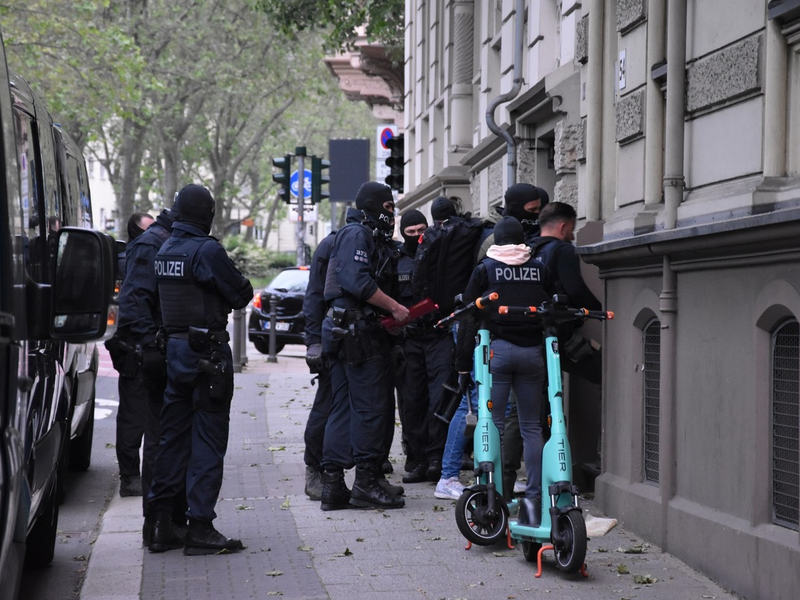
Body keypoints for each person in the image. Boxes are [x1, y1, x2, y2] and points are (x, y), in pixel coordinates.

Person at [147, 184, 253, 555]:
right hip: (207, 355)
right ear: (207, 214)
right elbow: (241, 293)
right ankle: (201, 527)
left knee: (172, 440)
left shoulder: (165, 249)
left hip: (174, 352)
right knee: (207, 442)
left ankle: (160, 524)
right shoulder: (206, 250)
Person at [456, 217, 555, 526]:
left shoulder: (485, 269)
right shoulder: (539, 267)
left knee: (493, 424)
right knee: (531, 427)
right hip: (533, 355)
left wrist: (462, 365)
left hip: (496, 352)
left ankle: (493, 496)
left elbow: (468, 317)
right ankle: (535, 496)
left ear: (496, 241)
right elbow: (554, 304)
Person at [320, 182, 409, 510]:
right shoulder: (358, 234)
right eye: (388, 208)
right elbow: (357, 282)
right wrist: (394, 308)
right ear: (373, 205)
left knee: (343, 407)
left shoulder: (366, 236)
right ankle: (366, 483)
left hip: (347, 331)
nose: (393, 214)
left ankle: (333, 486)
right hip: (359, 334)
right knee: (372, 408)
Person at [112, 206, 188, 544]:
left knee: (167, 436)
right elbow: (133, 302)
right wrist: (150, 345)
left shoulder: (165, 242)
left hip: (163, 351)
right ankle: (156, 521)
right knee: (147, 428)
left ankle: (167, 518)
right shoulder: (149, 246)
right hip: (145, 353)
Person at [394, 209, 452, 484]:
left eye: (422, 230)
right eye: (411, 232)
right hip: (409, 339)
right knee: (412, 401)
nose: (418, 236)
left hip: (438, 335)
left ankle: (436, 459)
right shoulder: (395, 261)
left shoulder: (440, 255)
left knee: (440, 399)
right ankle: (416, 460)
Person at [108, 211, 154, 499]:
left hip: (141, 346)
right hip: (132, 348)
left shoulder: (143, 257)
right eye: (148, 229)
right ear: (137, 231)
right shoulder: (129, 262)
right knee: (133, 417)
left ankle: (139, 475)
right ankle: (129, 477)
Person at [531, 201, 602, 383]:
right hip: (557, 329)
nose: (571, 236)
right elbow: (575, 288)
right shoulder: (563, 249)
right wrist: (597, 310)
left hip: (530, 330)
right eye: (571, 230)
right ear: (562, 227)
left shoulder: (529, 249)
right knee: (601, 371)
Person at [302, 231, 336, 500]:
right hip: (332, 341)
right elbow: (314, 295)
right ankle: (314, 468)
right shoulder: (331, 245)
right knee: (326, 406)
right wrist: (314, 341)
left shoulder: (373, 241)